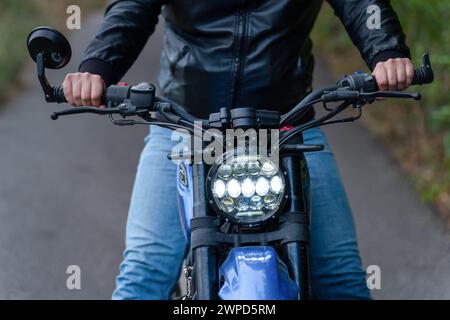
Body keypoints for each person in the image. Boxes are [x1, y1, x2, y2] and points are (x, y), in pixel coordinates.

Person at [63, 0, 414, 300]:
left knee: (341, 278)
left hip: (287, 126)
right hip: (186, 125)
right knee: (144, 274)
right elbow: (132, 10)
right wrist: (96, 68)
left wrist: (386, 53)